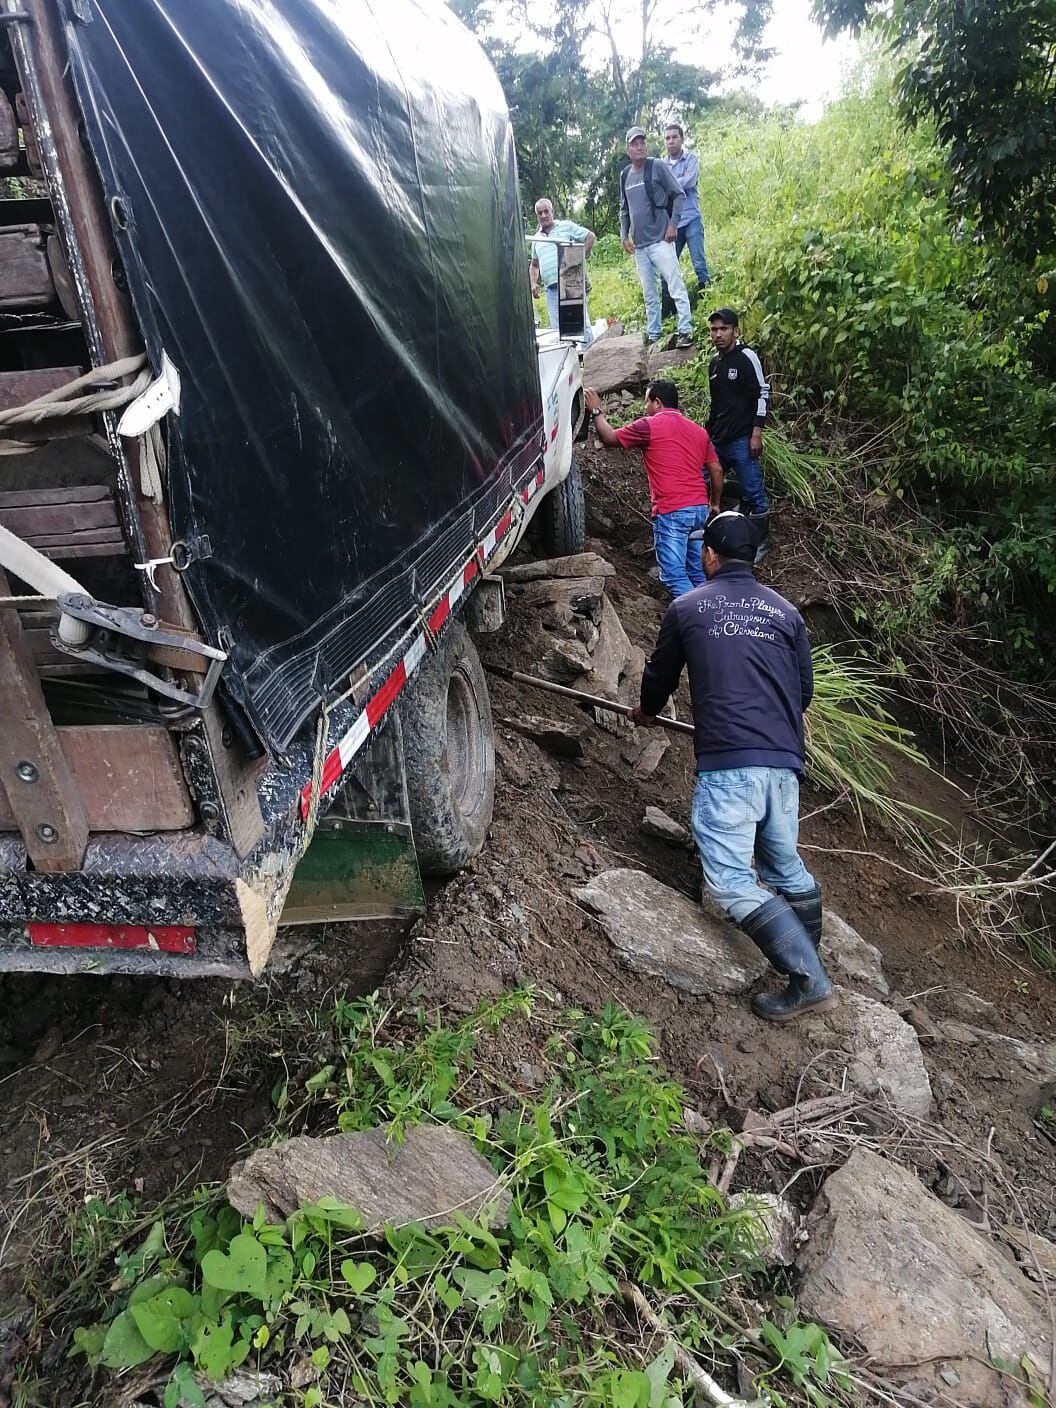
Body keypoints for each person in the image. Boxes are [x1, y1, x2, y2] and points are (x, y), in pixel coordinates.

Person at [631, 510, 836, 1021]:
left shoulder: (687, 607)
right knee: (784, 866)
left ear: (709, 556)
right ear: (755, 557)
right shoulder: (788, 614)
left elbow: (659, 675)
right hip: (784, 764)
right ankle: (807, 957)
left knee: (729, 879)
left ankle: (808, 979)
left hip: (730, 766)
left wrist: (647, 712)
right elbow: (803, 693)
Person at [584, 379, 722, 598]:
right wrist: (714, 503)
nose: (645, 408)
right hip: (698, 510)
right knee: (698, 572)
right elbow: (716, 470)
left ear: (657, 402)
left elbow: (610, 438)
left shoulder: (649, 425)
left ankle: (696, 621)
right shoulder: (698, 431)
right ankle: (714, 617)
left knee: (674, 575)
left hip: (672, 510)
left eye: (647, 402)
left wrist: (597, 411)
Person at [619, 126, 694, 349]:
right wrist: (624, 235)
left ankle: (686, 330)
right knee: (649, 293)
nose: (639, 146)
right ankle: (654, 334)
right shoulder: (625, 175)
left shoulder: (657, 166)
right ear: (628, 148)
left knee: (674, 284)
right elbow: (624, 209)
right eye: (634, 143)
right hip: (640, 246)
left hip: (661, 240)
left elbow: (679, 194)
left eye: (642, 142)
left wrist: (673, 224)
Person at [706, 308, 771, 558]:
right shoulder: (715, 364)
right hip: (718, 439)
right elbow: (717, 404)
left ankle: (761, 543)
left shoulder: (746, 357)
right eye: (714, 329)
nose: (718, 334)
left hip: (743, 438)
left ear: (735, 330)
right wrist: (706, 436)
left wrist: (757, 432)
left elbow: (761, 393)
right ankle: (730, 508)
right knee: (704, 480)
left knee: (755, 494)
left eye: (723, 329)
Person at [529, 198, 595, 347]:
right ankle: (571, 361)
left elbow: (590, 237)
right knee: (558, 329)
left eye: (546, 211)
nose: (544, 215)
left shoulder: (566, 227)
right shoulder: (536, 238)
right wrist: (533, 283)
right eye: (540, 213)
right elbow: (534, 265)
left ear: (552, 211)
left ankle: (590, 357)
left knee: (580, 323)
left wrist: (578, 260)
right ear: (537, 216)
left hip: (570, 280)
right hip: (551, 288)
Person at [658, 123, 709, 316]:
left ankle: (707, 304)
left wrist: (669, 185)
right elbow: (659, 191)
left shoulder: (691, 159)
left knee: (699, 264)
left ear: (682, 138)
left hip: (692, 218)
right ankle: (669, 312)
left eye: (674, 137)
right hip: (673, 223)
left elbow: (689, 181)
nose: (671, 141)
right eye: (667, 138)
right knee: (668, 266)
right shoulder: (661, 165)